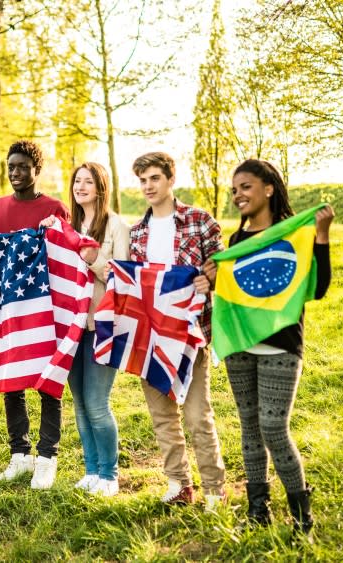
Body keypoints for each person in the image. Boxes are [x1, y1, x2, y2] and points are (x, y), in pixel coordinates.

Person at [201, 159, 334, 537]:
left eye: (245, 187)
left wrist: (321, 235)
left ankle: (302, 517)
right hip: (242, 346)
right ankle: (258, 512)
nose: (238, 195)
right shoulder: (237, 243)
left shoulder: (293, 235)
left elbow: (319, 288)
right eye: (234, 190)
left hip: (281, 345)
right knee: (249, 429)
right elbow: (235, 293)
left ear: (268, 189)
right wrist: (213, 279)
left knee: (274, 428)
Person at [0, 140, 85, 490]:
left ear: (37, 170)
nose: (15, 173)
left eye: (21, 167)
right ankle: (20, 455)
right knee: (12, 381)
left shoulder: (54, 208)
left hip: (45, 307)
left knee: (48, 383)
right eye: (10, 167)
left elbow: (65, 252)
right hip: (8, 306)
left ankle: (47, 458)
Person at [128, 151, 227, 509]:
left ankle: (215, 489)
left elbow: (222, 266)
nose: (148, 186)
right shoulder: (138, 233)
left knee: (198, 415)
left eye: (154, 178)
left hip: (190, 335)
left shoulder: (200, 221)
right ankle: (178, 484)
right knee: (162, 416)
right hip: (150, 338)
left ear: (171, 179)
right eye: (142, 180)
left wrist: (209, 279)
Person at [52, 163, 129, 497]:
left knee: (98, 404)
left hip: (102, 326)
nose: (80, 187)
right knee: (80, 403)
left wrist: (94, 259)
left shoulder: (116, 226)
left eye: (88, 182)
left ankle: (110, 475)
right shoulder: (66, 225)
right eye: (76, 181)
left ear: (101, 187)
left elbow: (123, 281)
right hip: (70, 327)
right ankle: (91, 470)